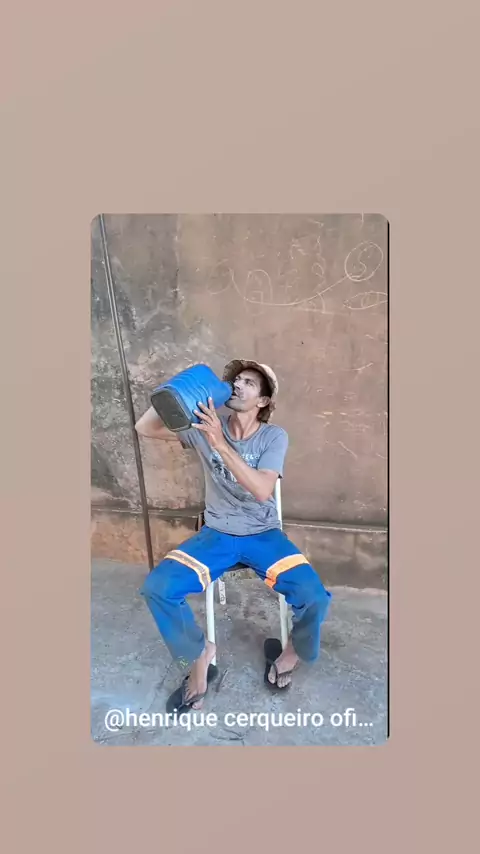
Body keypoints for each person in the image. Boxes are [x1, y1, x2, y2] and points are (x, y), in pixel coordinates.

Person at [135, 359, 332, 711]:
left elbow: (262, 490)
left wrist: (220, 444)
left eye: (249, 383)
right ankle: (198, 656)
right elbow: (145, 427)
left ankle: (292, 653)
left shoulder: (273, 436)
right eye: (236, 380)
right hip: (217, 534)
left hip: (262, 534)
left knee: (313, 595)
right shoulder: (205, 427)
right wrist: (175, 392)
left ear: (263, 400)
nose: (238, 385)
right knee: (158, 588)